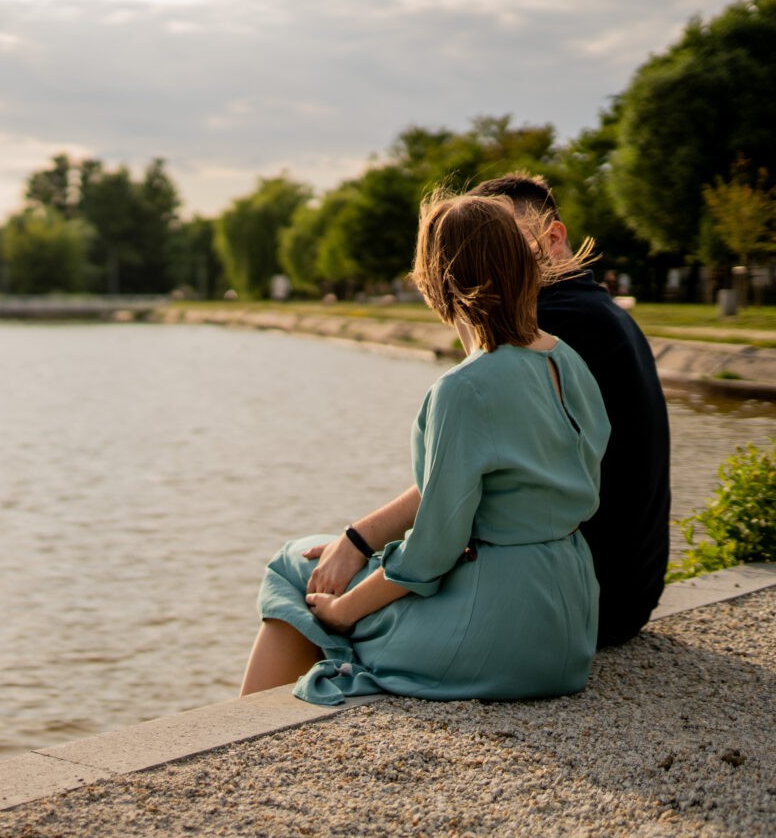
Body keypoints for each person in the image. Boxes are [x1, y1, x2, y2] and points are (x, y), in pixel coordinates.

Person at [240, 192, 610, 704]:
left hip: (500, 632)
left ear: (436, 282)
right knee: (342, 575)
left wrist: (344, 610)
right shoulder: (568, 361)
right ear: (528, 266)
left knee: (291, 566)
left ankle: (248, 732)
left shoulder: (463, 390)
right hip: (568, 627)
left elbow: (435, 550)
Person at [287, 174, 671, 650]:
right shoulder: (595, 319)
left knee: (298, 577)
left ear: (552, 238)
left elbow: (450, 503)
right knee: (336, 576)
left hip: (574, 601)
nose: (489, 255)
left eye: (503, 238)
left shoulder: (542, 331)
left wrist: (358, 543)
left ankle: (264, 721)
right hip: (605, 587)